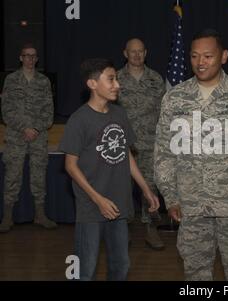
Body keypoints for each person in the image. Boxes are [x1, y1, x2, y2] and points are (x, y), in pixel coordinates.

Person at [154, 29, 228, 281]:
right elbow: (164, 151)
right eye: (195, 56)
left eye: (208, 56)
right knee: (195, 273)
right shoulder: (175, 98)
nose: (201, 62)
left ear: (224, 56)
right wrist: (170, 196)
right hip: (192, 205)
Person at [59, 58, 160, 281]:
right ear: (92, 84)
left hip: (119, 204)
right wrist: (98, 200)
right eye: (111, 79)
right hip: (91, 207)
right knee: (84, 269)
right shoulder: (79, 120)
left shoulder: (119, 114)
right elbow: (70, 166)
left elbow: (126, 154)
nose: (117, 85)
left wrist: (146, 189)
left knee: (120, 266)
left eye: (116, 79)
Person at [0, 44, 57, 233]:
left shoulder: (44, 81)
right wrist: (24, 127)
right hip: (16, 137)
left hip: (39, 137)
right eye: (27, 56)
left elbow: (49, 112)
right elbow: (6, 111)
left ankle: (40, 215)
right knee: (12, 176)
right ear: (20, 58)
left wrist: (35, 128)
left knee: (39, 176)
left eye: (33, 56)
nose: (30, 59)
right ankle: (7, 217)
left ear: (37, 59)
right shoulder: (11, 80)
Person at [117, 38, 166, 250]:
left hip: (149, 144)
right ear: (125, 53)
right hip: (121, 145)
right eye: (132, 52)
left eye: (140, 52)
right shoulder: (115, 79)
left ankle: (151, 229)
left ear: (145, 53)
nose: (136, 55)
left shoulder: (156, 79)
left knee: (151, 187)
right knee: (121, 189)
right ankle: (122, 229)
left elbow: (164, 112)